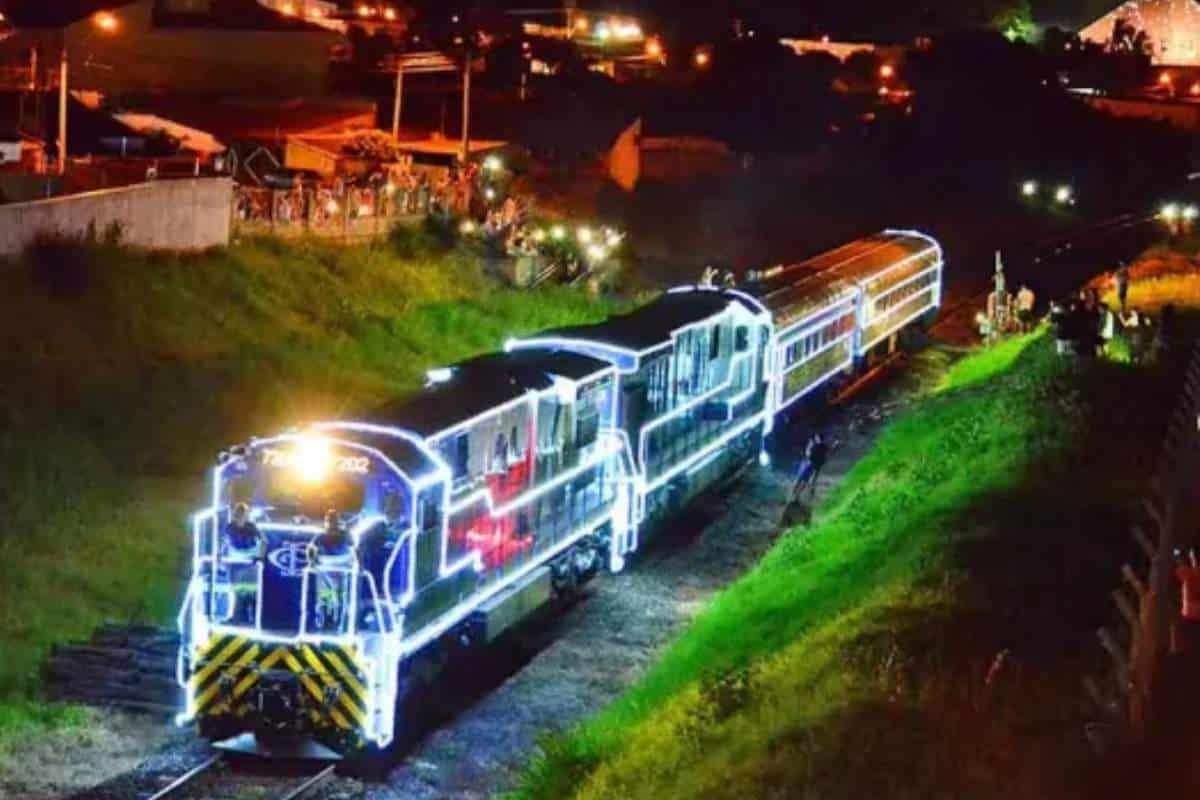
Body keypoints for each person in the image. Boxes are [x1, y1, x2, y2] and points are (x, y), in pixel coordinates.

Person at [221, 503, 266, 624]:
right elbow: (223, 542)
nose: (239, 517)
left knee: (251, 592)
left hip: (249, 563)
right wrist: (221, 556)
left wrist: (259, 557)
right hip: (234, 562)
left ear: (246, 516)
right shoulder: (229, 527)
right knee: (235, 592)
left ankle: (253, 618)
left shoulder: (251, 527)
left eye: (242, 514)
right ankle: (236, 617)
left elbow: (264, 541)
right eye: (237, 514)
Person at [794, 433, 829, 501]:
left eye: (816, 437)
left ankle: (796, 493)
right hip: (816, 465)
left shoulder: (815, 445)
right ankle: (803, 492)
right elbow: (826, 454)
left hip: (810, 464)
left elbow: (808, 454)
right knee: (809, 480)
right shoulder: (824, 446)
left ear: (818, 438)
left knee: (801, 479)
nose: (815, 438)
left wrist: (809, 446)